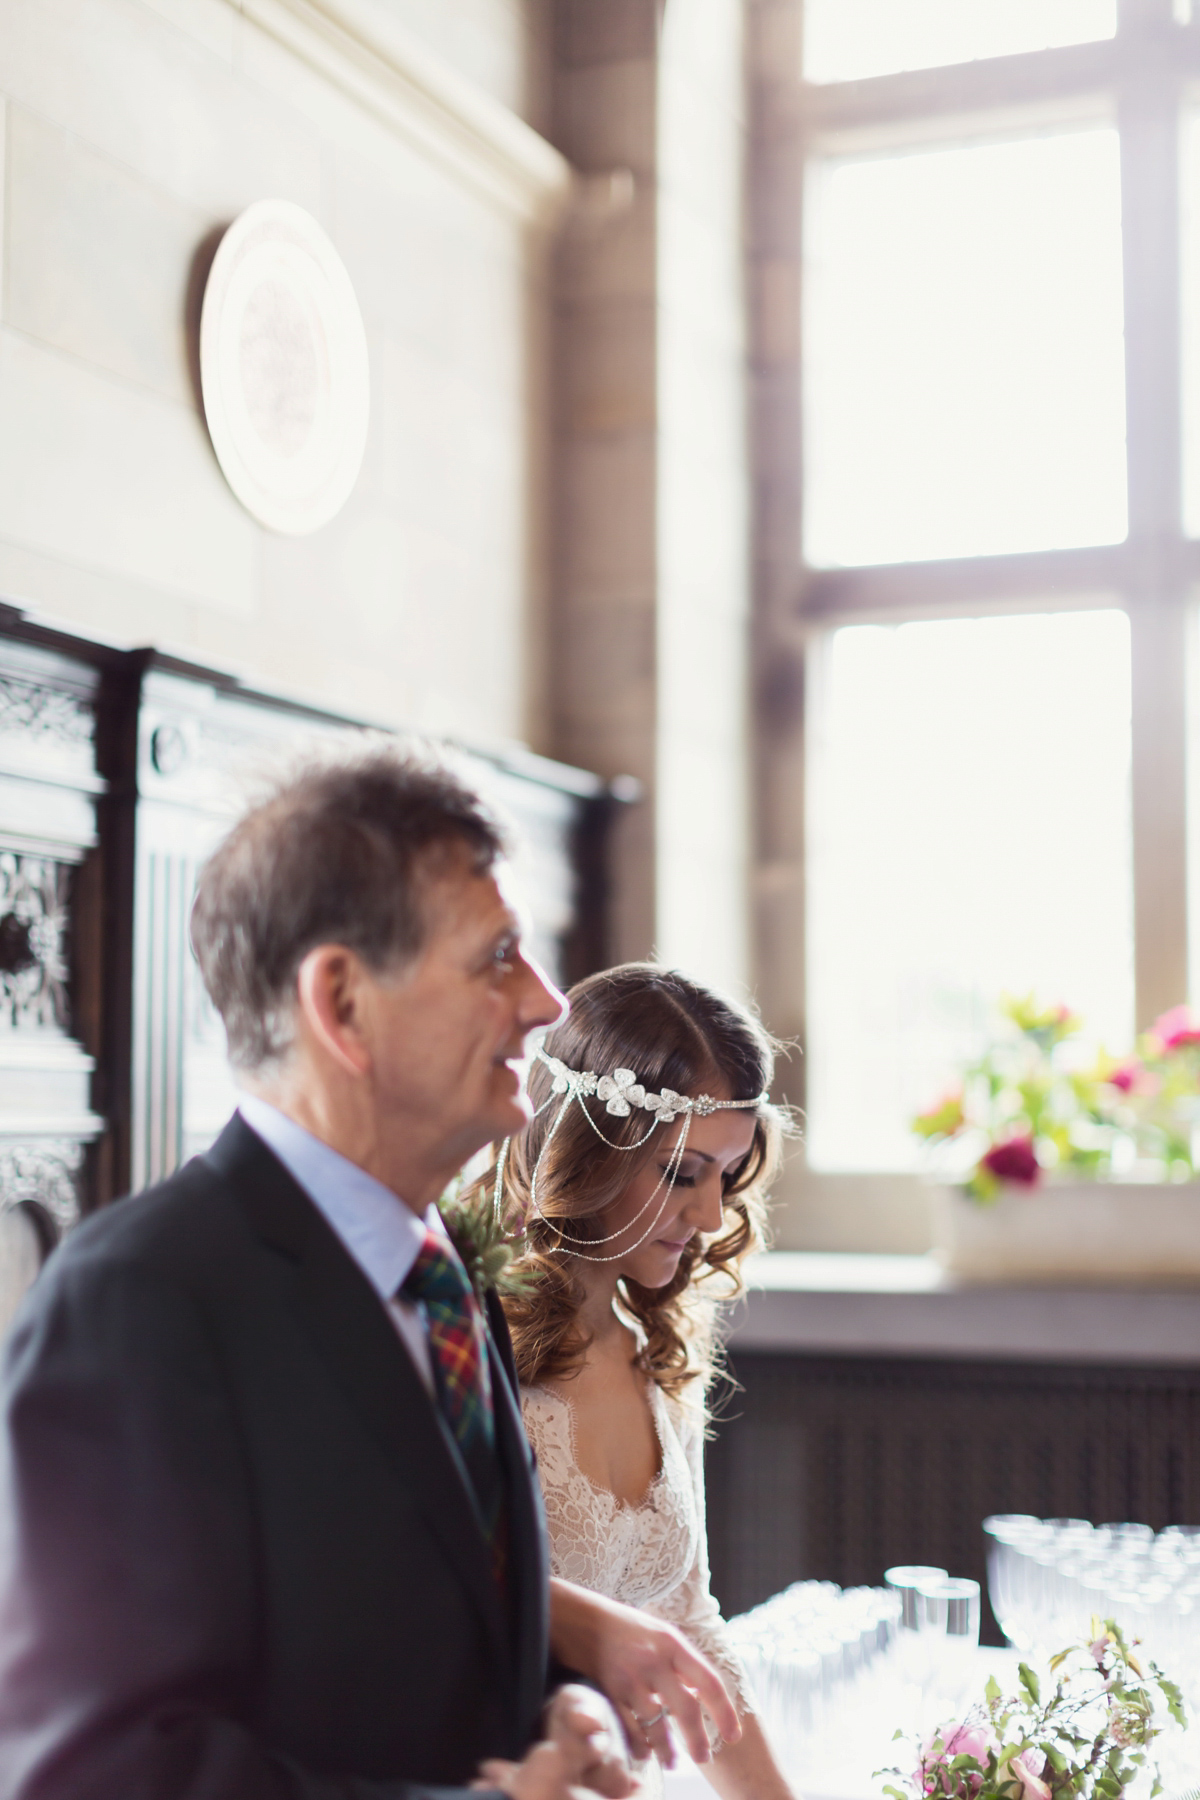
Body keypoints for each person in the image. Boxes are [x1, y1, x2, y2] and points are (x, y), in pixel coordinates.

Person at [0, 746, 738, 1800]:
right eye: (496, 958)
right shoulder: (140, 1300)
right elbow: (100, 1770)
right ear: (341, 1004)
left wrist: (549, 1700)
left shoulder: (442, 1274)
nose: (542, 1002)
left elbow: (418, 1632)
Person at [492, 966, 797, 1800]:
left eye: (727, 1177)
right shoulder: (476, 1346)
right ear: (591, 1147)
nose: (709, 1217)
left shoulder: (656, 1353)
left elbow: (690, 1623)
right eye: (682, 1173)